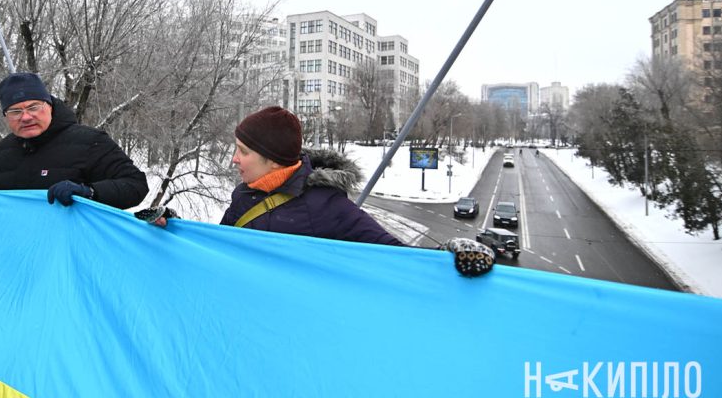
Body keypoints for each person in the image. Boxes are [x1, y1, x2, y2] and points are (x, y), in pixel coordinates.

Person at [142, 106, 494, 276]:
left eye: (243, 151)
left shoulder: (326, 206)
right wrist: (175, 229)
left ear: (273, 159)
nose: (234, 159)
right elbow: (220, 249)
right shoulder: (243, 196)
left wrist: (447, 254)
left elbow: (395, 257)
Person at [0, 72, 148, 209]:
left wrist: (90, 192)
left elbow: (135, 185)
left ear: (50, 106)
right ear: (6, 116)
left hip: (70, 255)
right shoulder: (4, 150)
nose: (26, 117)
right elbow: (0, 188)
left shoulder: (90, 142)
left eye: (33, 107)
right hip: (21, 254)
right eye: (15, 111)